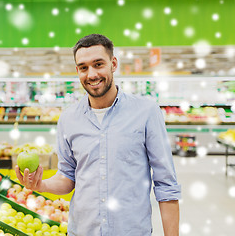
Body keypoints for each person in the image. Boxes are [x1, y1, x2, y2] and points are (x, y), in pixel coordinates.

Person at [15, 34, 181, 236]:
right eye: (83, 67)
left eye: (98, 64)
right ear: (77, 71)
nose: (91, 74)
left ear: (113, 64)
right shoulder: (68, 119)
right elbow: (68, 177)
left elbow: (166, 185)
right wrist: (41, 185)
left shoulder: (146, 112)